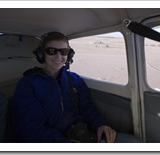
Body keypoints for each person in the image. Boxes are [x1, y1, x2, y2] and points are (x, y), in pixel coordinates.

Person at [12, 31, 142, 143]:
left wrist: (100, 124)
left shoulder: (75, 79)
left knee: (134, 144)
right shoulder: (28, 84)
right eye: (52, 51)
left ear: (69, 55)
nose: (58, 56)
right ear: (42, 54)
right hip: (54, 142)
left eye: (63, 52)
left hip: (82, 134)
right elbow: (31, 129)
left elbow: (88, 108)